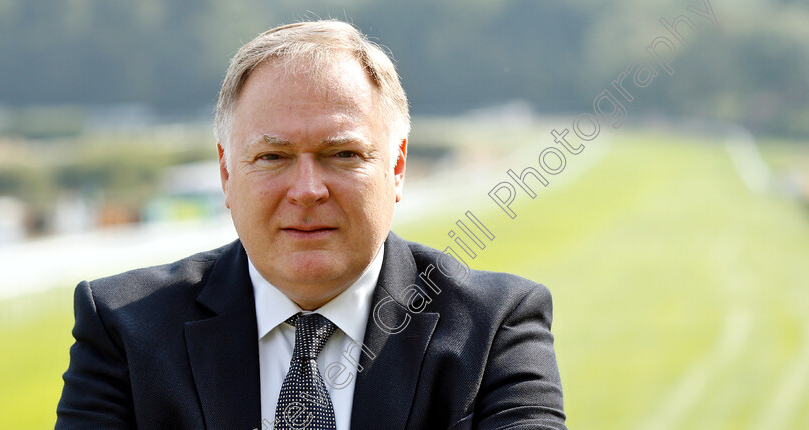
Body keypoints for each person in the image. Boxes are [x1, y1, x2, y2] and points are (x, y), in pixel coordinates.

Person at [55, 20, 566, 430]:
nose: (306, 189)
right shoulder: (123, 328)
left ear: (397, 168)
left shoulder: (495, 326)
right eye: (273, 156)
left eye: (342, 153)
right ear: (227, 173)